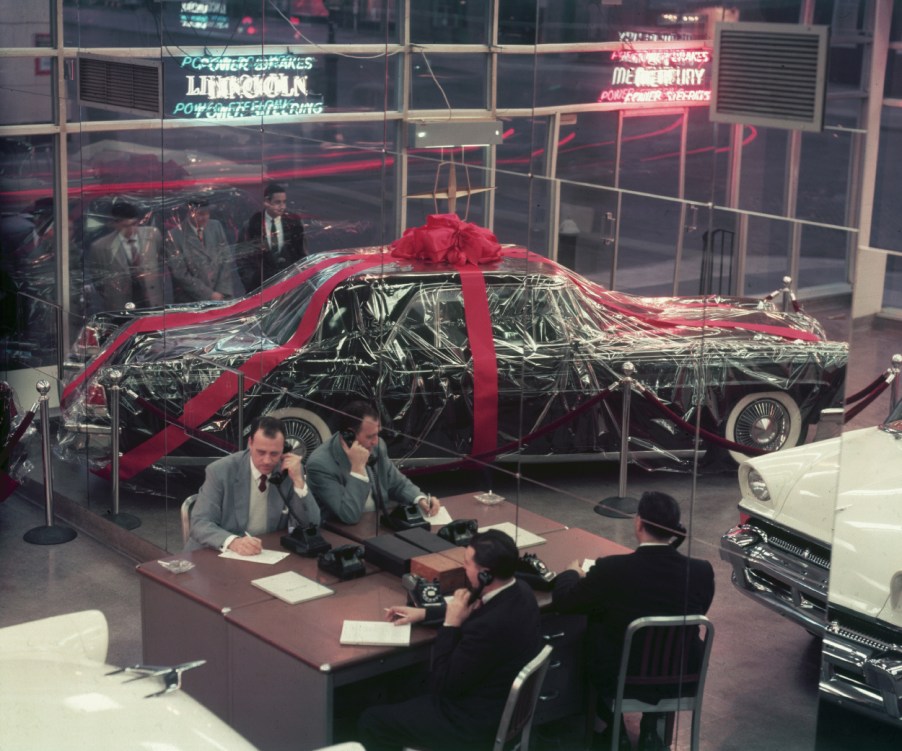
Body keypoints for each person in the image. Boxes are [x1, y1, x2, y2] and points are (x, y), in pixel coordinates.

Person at [551, 491, 715, 751]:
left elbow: (566, 602)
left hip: (621, 678)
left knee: (589, 635)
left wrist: (571, 572)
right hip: (681, 675)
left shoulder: (611, 570)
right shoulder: (702, 571)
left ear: (638, 523)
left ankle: (612, 726)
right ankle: (650, 729)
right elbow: (695, 613)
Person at [358, 529, 543, 751]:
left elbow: (443, 685)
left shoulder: (488, 627)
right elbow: (475, 609)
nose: (464, 568)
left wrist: (450, 625)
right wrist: (426, 613)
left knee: (372, 721)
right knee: (402, 687)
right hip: (494, 703)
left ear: (485, 574)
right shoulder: (519, 591)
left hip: (469, 724)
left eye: (467, 563)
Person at [186, 415, 320, 554]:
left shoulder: (288, 472)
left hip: (264, 553)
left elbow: (312, 524)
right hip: (215, 553)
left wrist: (298, 481)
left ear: (284, 449)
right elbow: (199, 523)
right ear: (250, 443)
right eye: (261, 452)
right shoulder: (220, 471)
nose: (267, 460)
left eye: (274, 453)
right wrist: (233, 542)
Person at [306, 400, 442, 524]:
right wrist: (357, 469)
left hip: (377, 521)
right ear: (349, 435)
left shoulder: (377, 446)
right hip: (343, 531)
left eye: (377, 433)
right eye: (370, 436)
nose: (376, 441)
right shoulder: (320, 465)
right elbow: (349, 515)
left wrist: (419, 499)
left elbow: (397, 483)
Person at [87, 201, 165, 311]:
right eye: (125, 226)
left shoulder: (153, 235)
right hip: (121, 303)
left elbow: (163, 264)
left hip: (152, 299)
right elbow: (98, 281)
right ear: (115, 224)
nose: (131, 230)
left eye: (134, 224)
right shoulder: (100, 247)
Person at [165, 196, 238, 303]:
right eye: (201, 214)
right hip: (193, 301)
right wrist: (210, 294)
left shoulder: (216, 226)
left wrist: (222, 291)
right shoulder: (174, 236)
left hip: (223, 297)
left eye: (207, 213)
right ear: (189, 212)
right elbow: (180, 274)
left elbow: (226, 259)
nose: (205, 217)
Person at [238, 181, 307, 293]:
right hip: (262, 288)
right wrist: (252, 283)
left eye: (284, 202)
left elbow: (302, 253)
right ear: (266, 202)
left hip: (290, 287)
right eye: (277, 202)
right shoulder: (251, 225)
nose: (282, 207)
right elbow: (243, 260)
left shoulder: (294, 223)